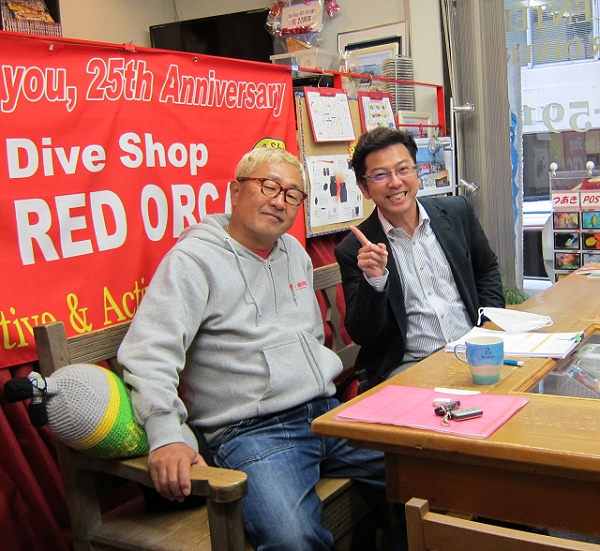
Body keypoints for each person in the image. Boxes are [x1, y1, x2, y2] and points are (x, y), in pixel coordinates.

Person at [118, 147, 394, 551]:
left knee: (423, 468)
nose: (279, 201)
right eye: (269, 186)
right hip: (252, 432)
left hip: (323, 413)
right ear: (235, 191)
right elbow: (149, 354)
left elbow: (310, 337)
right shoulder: (193, 261)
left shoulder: (294, 253)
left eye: (292, 195)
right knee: (292, 539)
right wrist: (166, 434)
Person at [335, 127, 505, 389]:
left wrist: (486, 329)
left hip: (472, 348)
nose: (395, 182)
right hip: (411, 365)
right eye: (380, 175)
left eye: (403, 169)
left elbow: (486, 270)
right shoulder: (356, 249)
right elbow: (364, 335)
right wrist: (374, 281)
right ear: (364, 188)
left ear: (417, 172)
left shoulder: (457, 212)